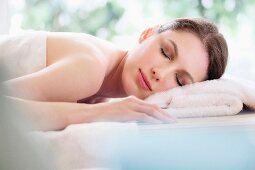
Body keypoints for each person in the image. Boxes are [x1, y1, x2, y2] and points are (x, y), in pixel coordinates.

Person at [1, 18, 228, 131]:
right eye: (165, 53)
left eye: (179, 80)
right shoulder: (90, 68)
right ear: (147, 33)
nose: (160, 73)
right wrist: (97, 112)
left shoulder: (106, 90)